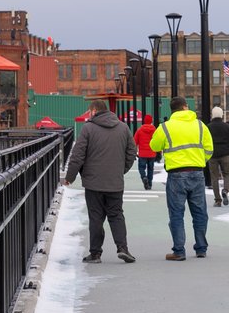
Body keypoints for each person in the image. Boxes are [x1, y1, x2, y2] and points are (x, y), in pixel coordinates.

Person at [63, 100, 137, 264]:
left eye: (90, 111)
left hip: (93, 182)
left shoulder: (88, 128)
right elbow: (132, 151)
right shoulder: (123, 127)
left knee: (96, 217)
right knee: (116, 215)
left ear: (94, 110)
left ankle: (95, 253)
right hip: (115, 182)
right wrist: (121, 169)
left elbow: (78, 155)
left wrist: (70, 177)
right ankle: (122, 248)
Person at [150, 96, 214, 261]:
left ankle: (179, 251)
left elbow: (154, 146)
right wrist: (199, 159)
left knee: (176, 213)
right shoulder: (200, 125)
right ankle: (201, 248)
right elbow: (209, 149)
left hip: (176, 174)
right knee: (200, 213)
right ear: (186, 107)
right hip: (197, 172)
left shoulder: (165, 127)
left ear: (172, 110)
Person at [207, 106, 229, 207]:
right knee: (227, 174)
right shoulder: (227, 127)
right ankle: (225, 190)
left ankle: (217, 200)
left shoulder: (208, 127)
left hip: (212, 155)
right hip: (225, 154)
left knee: (214, 177)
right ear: (221, 115)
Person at [132, 113, 157, 190]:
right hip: (152, 153)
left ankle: (144, 177)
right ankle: (149, 184)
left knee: (141, 168)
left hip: (142, 153)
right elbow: (157, 140)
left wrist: (134, 151)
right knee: (150, 169)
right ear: (151, 121)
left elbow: (134, 142)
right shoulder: (154, 130)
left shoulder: (140, 130)